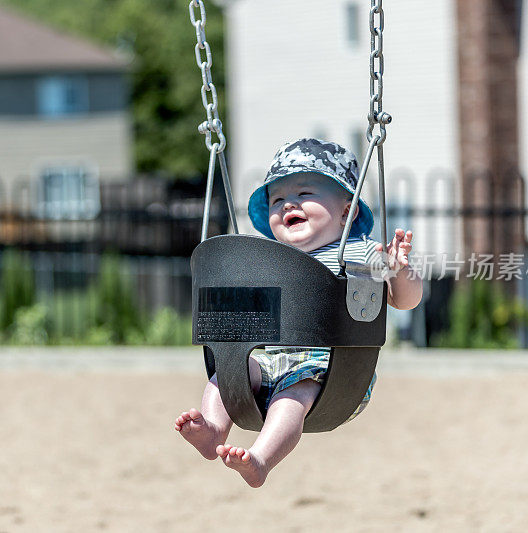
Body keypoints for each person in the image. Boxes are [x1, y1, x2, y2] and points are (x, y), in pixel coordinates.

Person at [174, 138, 423, 487]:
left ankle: (261, 459)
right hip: (271, 361)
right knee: (229, 371)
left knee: (293, 393)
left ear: (346, 212)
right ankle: (214, 429)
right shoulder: (269, 260)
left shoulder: (359, 252)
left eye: (305, 193)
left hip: (329, 372)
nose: (288, 203)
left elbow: (406, 300)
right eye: (277, 200)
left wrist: (399, 270)